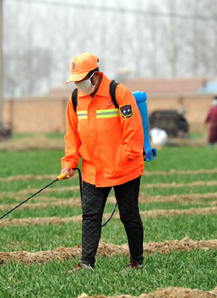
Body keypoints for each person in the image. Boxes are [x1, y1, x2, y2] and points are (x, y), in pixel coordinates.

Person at [60, 53, 145, 272]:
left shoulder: (119, 93)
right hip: (92, 170)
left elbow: (133, 133)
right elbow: (72, 135)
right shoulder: (75, 99)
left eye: (82, 80)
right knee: (90, 217)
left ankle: (136, 261)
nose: (79, 84)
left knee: (129, 216)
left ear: (95, 76)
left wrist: (122, 158)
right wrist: (69, 162)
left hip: (124, 168)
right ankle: (87, 263)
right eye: (75, 81)